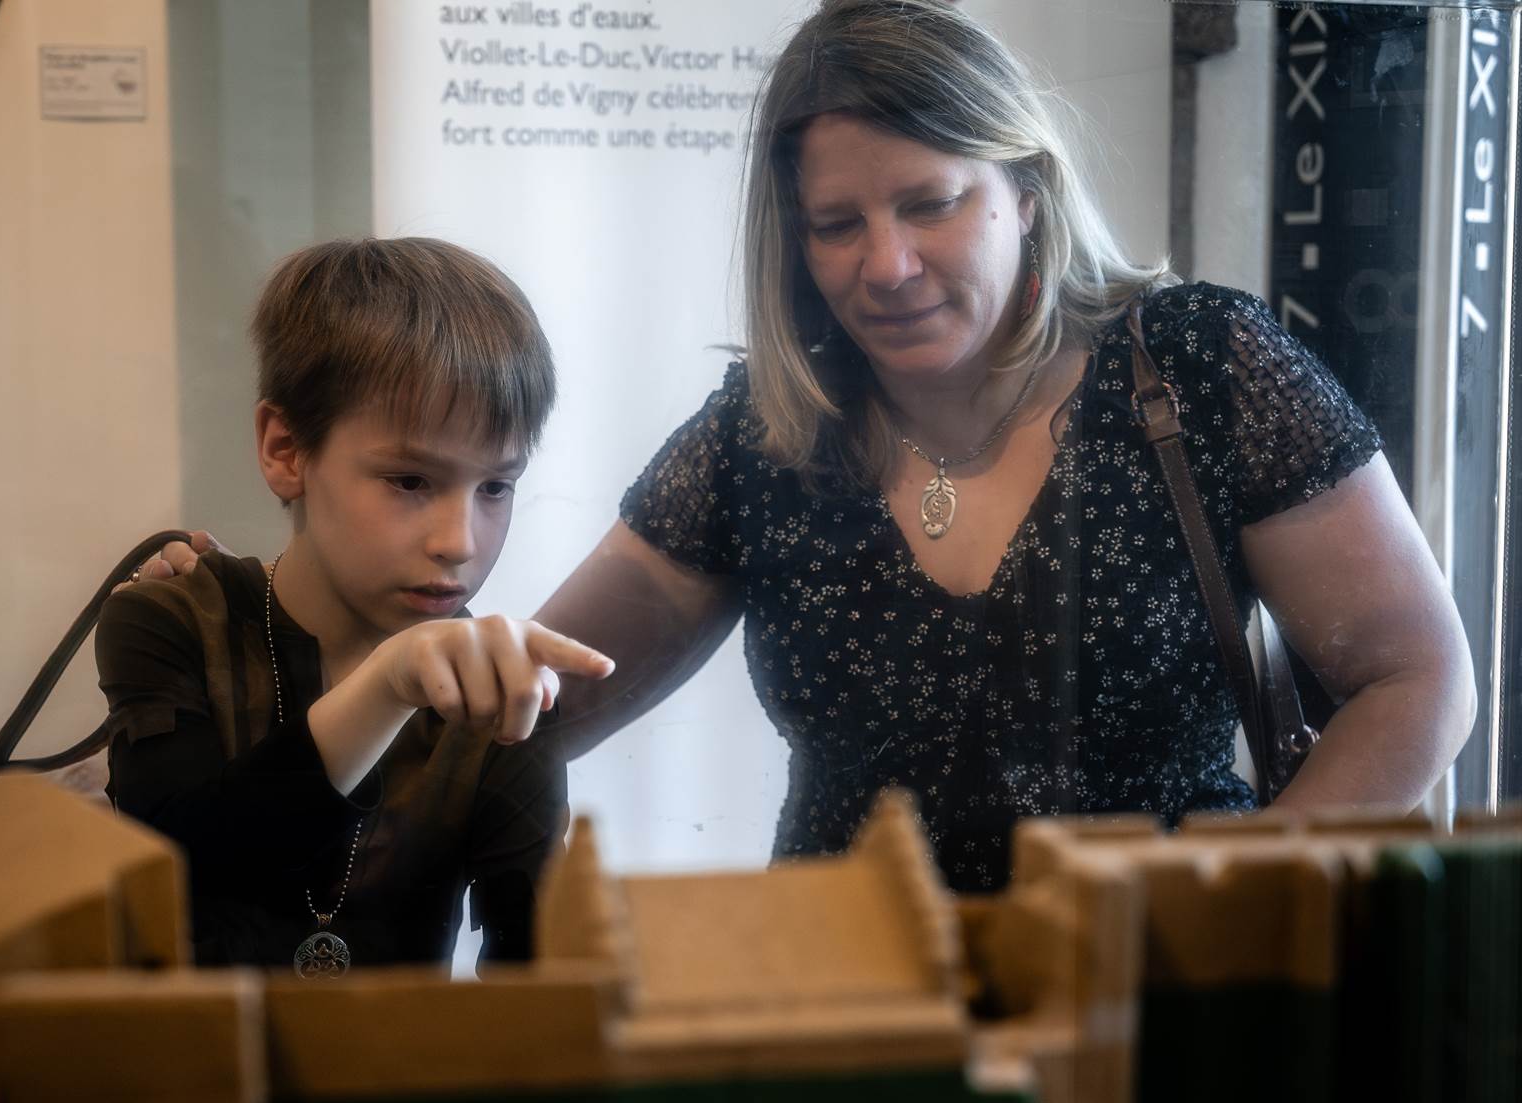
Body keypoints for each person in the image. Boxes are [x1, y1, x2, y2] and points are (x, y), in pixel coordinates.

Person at [153, 0, 1474, 894]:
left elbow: (1416, 679)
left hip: (1165, 1003)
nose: (884, 265)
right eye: (836, 225)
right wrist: (258, 629)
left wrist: (1239, 911)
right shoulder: (765, 436)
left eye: (931, 205)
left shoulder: (1198, 364)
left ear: (1024, 192)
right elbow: (525, 708)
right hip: (857, 1007)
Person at [97, 237, 613, 973]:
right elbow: (183, 871)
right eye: (410, 481)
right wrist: (387, 686)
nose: (460, 542)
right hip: (194, 1047)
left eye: (496, 487)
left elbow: (534, 977)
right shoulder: (172, 620)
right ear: (285, 450)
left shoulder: (500, 692)